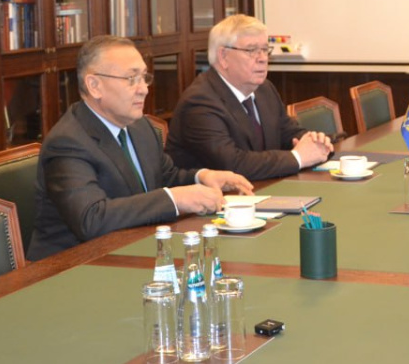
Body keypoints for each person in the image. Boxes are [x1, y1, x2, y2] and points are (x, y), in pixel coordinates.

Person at [28, 35, 253, 260]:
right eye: (131, 78)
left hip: (133, 250)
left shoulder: (140, 126)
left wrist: (202, 177)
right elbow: (91, 219)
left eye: (144, 77)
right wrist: (175, 199)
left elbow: (165, 177)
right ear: (94, 85)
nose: (143, 89)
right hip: (72, 267)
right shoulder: (68, 142)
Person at [167, 14, 333, 181]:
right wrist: (298, 158)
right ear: (224, 56)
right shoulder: (200, 102)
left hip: (262, 190)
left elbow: (288, 132)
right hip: (214, 202)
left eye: (264, 49)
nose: (262, 58)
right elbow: (233, 164)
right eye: (251, 50)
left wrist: (313, 142)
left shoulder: (264, 89)